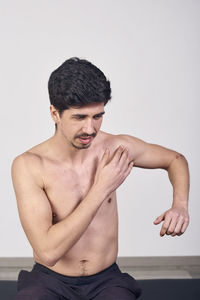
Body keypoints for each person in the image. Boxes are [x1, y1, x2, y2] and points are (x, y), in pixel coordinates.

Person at [11, 57, 190, 300]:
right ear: (55, 113)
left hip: (106, 280)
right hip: (49, 280)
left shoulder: (115, 148)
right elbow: (48, 252)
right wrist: (102, 187)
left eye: (97, 116)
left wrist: (180, 206)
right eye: (79, 117)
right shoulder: (29, 165)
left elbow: (175, 159)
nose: (90, 129)